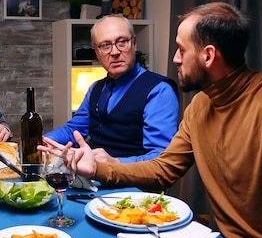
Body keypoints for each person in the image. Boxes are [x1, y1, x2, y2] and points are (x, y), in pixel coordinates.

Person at [42, 2, 262, 238]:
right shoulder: (201, 106)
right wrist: (99, 168)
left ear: (208, 55)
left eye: (181, 49)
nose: (175, 58)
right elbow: (164, 169)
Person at [45, 14, 179, 163]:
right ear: (96, 51)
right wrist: (44, 141)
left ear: (134, 44)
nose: (114, 52)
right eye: (105, 45)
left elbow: (162, 159)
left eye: (122, 42)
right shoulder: (95, 89)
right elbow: (73, 130)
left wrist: (115, 163)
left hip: (133, 184)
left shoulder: (159, 91)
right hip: (92, 180)